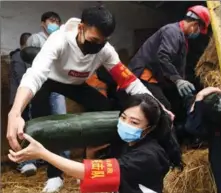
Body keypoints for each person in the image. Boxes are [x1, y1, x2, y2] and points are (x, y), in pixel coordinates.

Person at [7, 6, 172, 192]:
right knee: (41, 123)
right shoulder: (58, 40)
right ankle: (54, 176)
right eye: (94, 40)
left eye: (103, 42)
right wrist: (15, 112)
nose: (97, 46)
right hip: (49, 81)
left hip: (78, 85)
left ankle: (108, 164)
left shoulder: (105, 50)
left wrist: (156, 104)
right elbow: (35, 74)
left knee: (109, 108)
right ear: (81, 28)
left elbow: (129, 81)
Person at [8, 93, 182, 193]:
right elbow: (100, 180)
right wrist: (90, 155)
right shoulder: (124, 143)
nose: (125, 124)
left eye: (134, 122)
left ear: (149, 128)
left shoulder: (149, 155)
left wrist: (42, 153)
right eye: (123, 117)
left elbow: (87, 173)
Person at [127, 5, 210, 120]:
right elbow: (163, 57)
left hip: (155, 77)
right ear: (195, 25)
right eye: (199, 30)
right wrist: (178, 80)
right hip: (144, 76)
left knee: (174, 104)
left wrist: (182, 83)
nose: (198, 33)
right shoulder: (172, 32)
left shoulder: (181, 37)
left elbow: (177, 65)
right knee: (162, 108)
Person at [26, 11, 67, 117]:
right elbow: (29, 60)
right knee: (40, 112)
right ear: (43, 23)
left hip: (57, 81)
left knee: (60, 113)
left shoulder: (59, 40)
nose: (55, 24)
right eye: (52, 21)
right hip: (40, 83)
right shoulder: (35, 38)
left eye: (57, 22)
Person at [9, 32, 38, 176]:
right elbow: (22, 79)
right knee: (21, 131)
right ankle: (24, 163)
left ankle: (32, 159)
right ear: (24, 45)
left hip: (28, 98)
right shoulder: (18, 57)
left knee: (28, 129)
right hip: (20, 101)